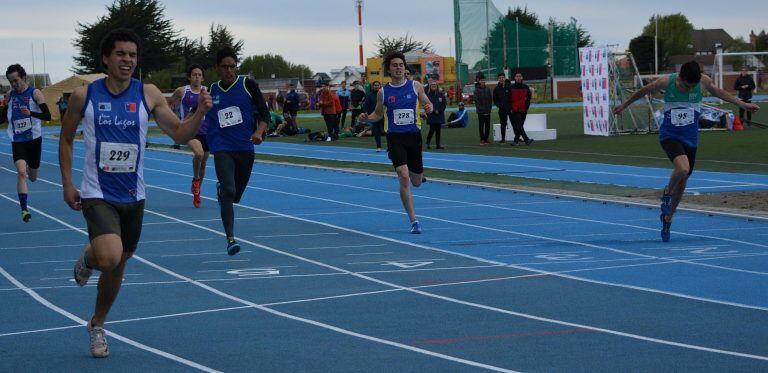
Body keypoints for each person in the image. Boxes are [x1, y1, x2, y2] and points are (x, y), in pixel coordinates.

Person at [59, 28, 212, 358]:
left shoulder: (150, 94)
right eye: (120, 54)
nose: (127, 60)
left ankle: (97, 324)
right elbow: (67, 139)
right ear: (106, 58)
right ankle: (91, 257)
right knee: (110, 256)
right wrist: (68, 184)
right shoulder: (84, 96)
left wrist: (200, 112)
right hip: (97, 191)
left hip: (134, 195)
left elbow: (181, 133)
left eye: (132, 55)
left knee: (118, 267)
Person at [614, 61, 759, 242]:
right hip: (670, 135)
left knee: (683, 180)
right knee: (682, 169)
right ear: (680, 78)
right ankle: (666, 193)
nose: (688, 89)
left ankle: (668, 218)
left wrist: (743, 104)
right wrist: (624, 105)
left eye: (692, 87)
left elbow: (719, 92)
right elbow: (643, 91)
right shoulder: (666, 82)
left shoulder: (703, 81)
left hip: (690, 138)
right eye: (685, 85)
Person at [359, 52, 433, 233]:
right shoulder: (383, 92)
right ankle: (414, 221)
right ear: (389, 69)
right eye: (394, 65)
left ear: (405, 68)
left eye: (401, 64)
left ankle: (420, 175)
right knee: (403, 174)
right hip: (395, 137)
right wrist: (366, 118)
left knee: (416, 181)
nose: (398, 68)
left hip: (414, 136)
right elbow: (377, 114)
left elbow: (427, 103)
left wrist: (429, 107)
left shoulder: (415, 86)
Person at [206, 47, 271, 254]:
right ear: (217, 68)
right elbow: (198, 114)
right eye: (224, 67)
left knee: (235, 196)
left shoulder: (247, 84)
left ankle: (223, 190)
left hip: (245, 146)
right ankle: (230, 239)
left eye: (232, 66)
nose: (229, 70)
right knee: (229, 191)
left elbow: (264, 113)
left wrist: (259, 132)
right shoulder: (212, 89)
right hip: (222, 146)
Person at [1, 64, 50, 222]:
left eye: (16, 80)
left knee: (33, 177)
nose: (14, 84)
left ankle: (31, 166)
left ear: (23, 78)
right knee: (21, 173)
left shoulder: (35, 93)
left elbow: (48, 116)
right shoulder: (9, 96)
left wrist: (31, 113)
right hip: (18, 140)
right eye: (11, 82)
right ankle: (24, 210)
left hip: (34, 140)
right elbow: (2, 118)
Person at [166, 64, 210, 208]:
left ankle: (198, 190)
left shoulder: (207, 91)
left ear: (202, 77)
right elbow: (168, 103)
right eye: (194, 75)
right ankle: (195, 179)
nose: (197, 77)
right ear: (189, 77)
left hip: (206, 131)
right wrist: (174, 120)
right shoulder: (182, 91)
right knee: (199, 154)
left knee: (203, 162)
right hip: (190, 130)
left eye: (199, 75)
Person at [509, 72, 533, 146]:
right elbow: (508, 99)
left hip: (523, 110)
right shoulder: (511, 87)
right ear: (515, 78)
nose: (518, 77)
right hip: (515, 110)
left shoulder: (526, 87)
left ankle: (515, 141)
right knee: (519, 125)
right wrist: (511, 108)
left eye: (520, 76)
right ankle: (526, 139)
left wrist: (526, 108)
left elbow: (528, 99)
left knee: (520, 126)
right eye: (517, 76)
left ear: (522, 78)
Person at [425, 80, 446, 149]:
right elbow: (426, 104)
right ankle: (428, 143)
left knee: (438, 130)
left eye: (435, 85)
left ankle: (438, 145)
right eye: (432, 85)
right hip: (431, 115)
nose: (433, 86)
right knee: (432, 129)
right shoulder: (427, 95)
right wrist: (433, 110)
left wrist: (439, 110)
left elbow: (444, 104)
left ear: (437, 86)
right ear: (430, 87)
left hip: (439, 115)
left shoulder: (441, 95)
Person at [364, 80, 384, 151]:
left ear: (380, 86)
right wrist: (366, 112)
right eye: (375, 85)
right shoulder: (369, 95)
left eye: (378, 85)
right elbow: (366, 105)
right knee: (376, 131)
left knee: (388, 131)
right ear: (373, 86)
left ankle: (390, 147)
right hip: (375, 116)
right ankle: (378, 147)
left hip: (384, 115)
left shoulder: (383, 94)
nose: (376, 86)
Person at [474, 73, 492, 145]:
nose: (483, 81)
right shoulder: (477, 90)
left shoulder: (487, 89)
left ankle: (486, 139)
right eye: (481, 80)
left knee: (488, 126)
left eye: (484, 80)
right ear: (479, 81)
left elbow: (490, 99)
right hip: (481, 112)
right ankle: (482, 139)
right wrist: (480, 109)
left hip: (488, 111)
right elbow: (476, 100)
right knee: (481, 126)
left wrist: (489, 108)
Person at [493, 72, 511, 143]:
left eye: (503, 77)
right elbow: (495, 100)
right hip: (502, 110)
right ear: (498, 79)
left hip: (510, 109)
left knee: (514, 123)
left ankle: (517, 137)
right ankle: (503, 139)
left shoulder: (509, 87)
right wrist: (500, 105)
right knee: (503, 124)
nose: (501, 79)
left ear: (505, 78)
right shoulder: (496, 89)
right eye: (500, 78)